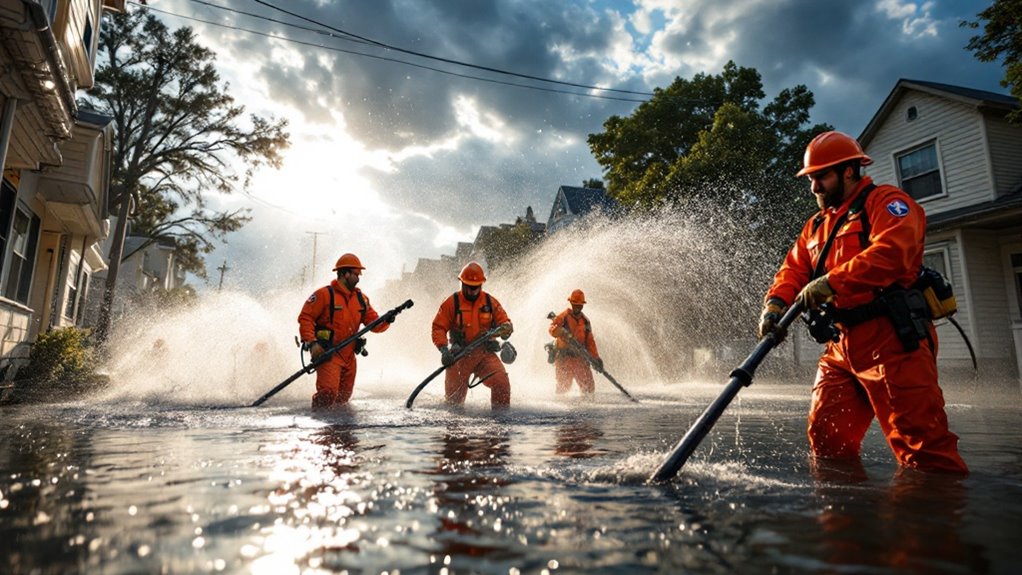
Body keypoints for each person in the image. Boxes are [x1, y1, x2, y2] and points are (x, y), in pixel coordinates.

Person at [757, 130, 967, 474]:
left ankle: (932, 521)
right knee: (827, 442)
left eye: (821, 177)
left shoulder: (887, 204)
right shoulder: (816, 226)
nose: (814, 188)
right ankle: (846, 524)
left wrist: (831, 283)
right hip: (841, 347)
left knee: (923, 448)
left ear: (849, 171)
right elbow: (793, 269)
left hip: (893, 340)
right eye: (811, 179)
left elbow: (892, 254)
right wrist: (774, 305)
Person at [298, 253, 395, 409]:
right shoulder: (324, 295)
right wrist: (312, 343)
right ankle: (318, 423)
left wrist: (387, 320)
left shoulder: (361, 299)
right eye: (356, 274)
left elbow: (374, 324)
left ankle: (340, 431)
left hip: (349, 356)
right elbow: (306, 318)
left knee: (343, 399)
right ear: (344, 274)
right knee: (328, 393)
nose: (358, 278)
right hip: (328, 352)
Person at [431, 261, 513, 408]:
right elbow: (438, 328)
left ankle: (500, 422)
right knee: (453, 405)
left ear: (481, 285)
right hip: (459, 357)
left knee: (502, 384)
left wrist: (506, 328)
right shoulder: (451, 303)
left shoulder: (490, 302)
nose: (472, 291)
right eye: (469, 287)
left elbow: (504, 322)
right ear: (462, 283)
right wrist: (444, 350)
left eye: (476, 287)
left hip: (485, 355)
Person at [548, 289, 602, 396]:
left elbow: (590, 342)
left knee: (589, 389)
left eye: (579, 305)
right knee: (562, 390)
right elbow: (552, 329)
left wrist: (596, 358)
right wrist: (559, 331)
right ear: (571, 303)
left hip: (580, 359)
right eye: (575, 304)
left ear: (582, 305)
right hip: (564, 359)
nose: (577, 307)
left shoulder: (585, 321)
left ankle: (587, 411)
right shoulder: (563, 317)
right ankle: (560, 411)